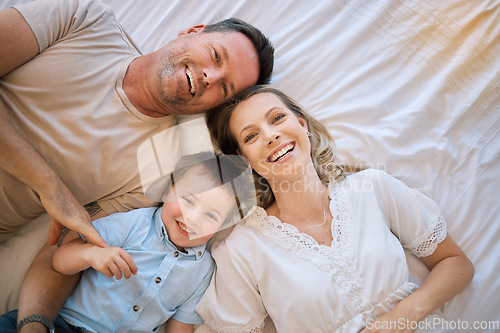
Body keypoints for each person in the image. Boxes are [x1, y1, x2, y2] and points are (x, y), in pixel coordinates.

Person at [0, 0, 273, 329]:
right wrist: (49, 185)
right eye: (215, 55)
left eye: (224, 87)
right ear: (193, 31)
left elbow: (67, 252)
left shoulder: (157, 169)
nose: (209, 76)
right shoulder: (82, 18)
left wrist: (35, 324)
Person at [196, 85, 475, 332]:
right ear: (244, 160)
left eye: (277, 118)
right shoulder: (242, 249)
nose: (270, 136)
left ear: (302, 123)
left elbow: (456, 264)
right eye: (251, 136)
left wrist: (403, 315)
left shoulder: (373, 189)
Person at [0, 151, 255, 332]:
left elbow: (181, 326)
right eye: (188, 200)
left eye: (211, 216)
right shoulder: (135, 224)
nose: (193, 218)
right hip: (64, 324)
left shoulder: (203, 271)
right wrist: (92, 255)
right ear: (167, 191)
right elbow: (59, 261)